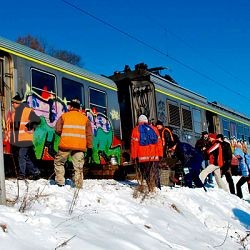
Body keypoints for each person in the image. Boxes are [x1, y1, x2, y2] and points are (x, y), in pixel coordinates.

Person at [53, 98, 93, 188]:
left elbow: (57, 129)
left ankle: (60, 182)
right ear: (79, 108)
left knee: (59, 162)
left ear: (70, 107)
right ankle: (78, 186)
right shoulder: (85, 119)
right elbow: (89, 134)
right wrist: (89, 147)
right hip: (79, 146)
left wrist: (65, 134)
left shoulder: (64, 116)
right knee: (78, 167)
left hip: (65, 145)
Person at [11, 93, 41, 180]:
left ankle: (22, 175)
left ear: (18, 103)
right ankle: (35, 171)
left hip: (26, 138)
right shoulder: (13, 114)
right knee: (25, 157)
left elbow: (37, 119)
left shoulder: (27, 110)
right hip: (18, 140)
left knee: (22, 156)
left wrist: (29, 126)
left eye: (14, 103)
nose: (12, 104)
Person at [131, 114, 163, 192]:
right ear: (147, 121)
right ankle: (157, 189)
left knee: (145, 173)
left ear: (139, 122)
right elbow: (159, 143)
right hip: (154, 157)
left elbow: (134, 145)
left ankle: (148, 189)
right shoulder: (154, 129)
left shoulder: (135, 130)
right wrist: (160, 155)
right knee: (154, 172)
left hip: (142, 158)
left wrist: (134, 156)